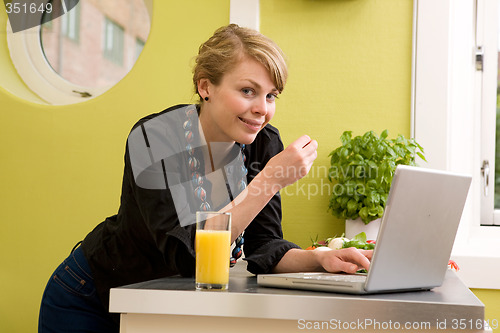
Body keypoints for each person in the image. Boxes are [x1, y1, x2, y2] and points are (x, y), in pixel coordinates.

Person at [38, 24, 372, 333]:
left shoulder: (264, 144)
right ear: (205, 86)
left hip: (165, 303)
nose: (262, 109)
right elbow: (188, 256)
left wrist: (319, 258)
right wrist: (269, 180)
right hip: (89, 295)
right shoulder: (155, 139)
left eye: (271, 96)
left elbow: (264, 246)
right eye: (247, 90)